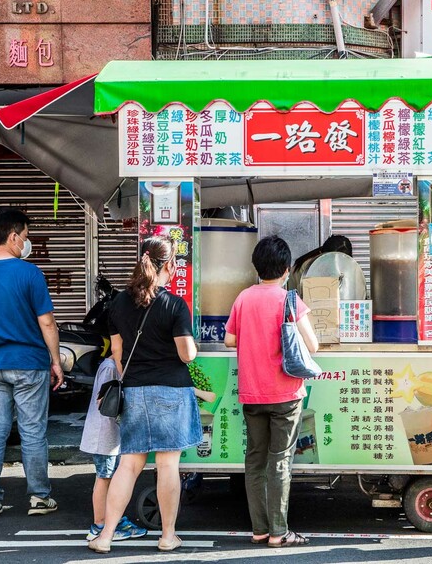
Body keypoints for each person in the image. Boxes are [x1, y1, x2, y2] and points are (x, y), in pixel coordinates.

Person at [88, 236, 201, 554]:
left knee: (128, 466)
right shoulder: (175, 305)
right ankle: (167, 536)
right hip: (171, 391)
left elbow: (118, 353)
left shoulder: (118, 304)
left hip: (135, 391)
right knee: (167, 467)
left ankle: (106, 535)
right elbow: (187, 355)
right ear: (171, 266)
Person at [0, 208, 64, 519]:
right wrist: (56, 361)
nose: (27, 242)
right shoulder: (29, 273)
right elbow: (47, 323)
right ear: (13, 236)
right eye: (26, 236)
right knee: (33, 431)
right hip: (29, 362)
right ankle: (38, 497)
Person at [224, 235, 319, 548]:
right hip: (286, 395)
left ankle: (259, 529)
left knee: (255, 461)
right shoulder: (290, 301)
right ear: (287, 269)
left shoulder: (243, 298)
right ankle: (279, 533)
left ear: (257, 268)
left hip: (252, 393)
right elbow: (313, 345)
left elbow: (229, 340)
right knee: (279, 462)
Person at [79, 357, 148, 543]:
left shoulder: (113, 365)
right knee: (105, 478)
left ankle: (114, 521)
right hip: (104, 435)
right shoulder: (110, 367)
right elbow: (106, 403)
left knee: (111, 477)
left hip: (110, 435)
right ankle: (99, 525)